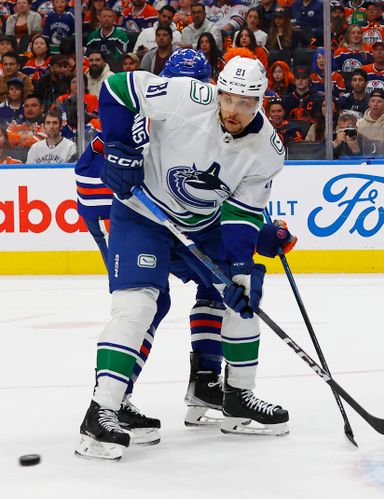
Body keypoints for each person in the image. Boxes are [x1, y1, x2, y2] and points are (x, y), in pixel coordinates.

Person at [75, 55, 292, 461]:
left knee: (242, 291)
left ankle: (237, 396)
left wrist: (240, 269)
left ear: (261, 101)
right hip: (142, 215)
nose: (234, 110)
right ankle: (102, 410)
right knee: (138, 305)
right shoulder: (185, 96)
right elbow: (116, 89)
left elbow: (241, 216)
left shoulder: (269, 150)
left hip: (204, 224)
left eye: (246, 103)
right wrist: (121, 147)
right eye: (229, 99)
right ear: (219, 91)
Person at [74, 49, 230, 437]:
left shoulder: (211, 124)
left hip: (178, 222)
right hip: (130, 217)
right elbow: (90, 181)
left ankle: (205, 384)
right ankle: (112, 400)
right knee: (144, 302)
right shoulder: (140, 116)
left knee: (220, 283)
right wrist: (118, 188)